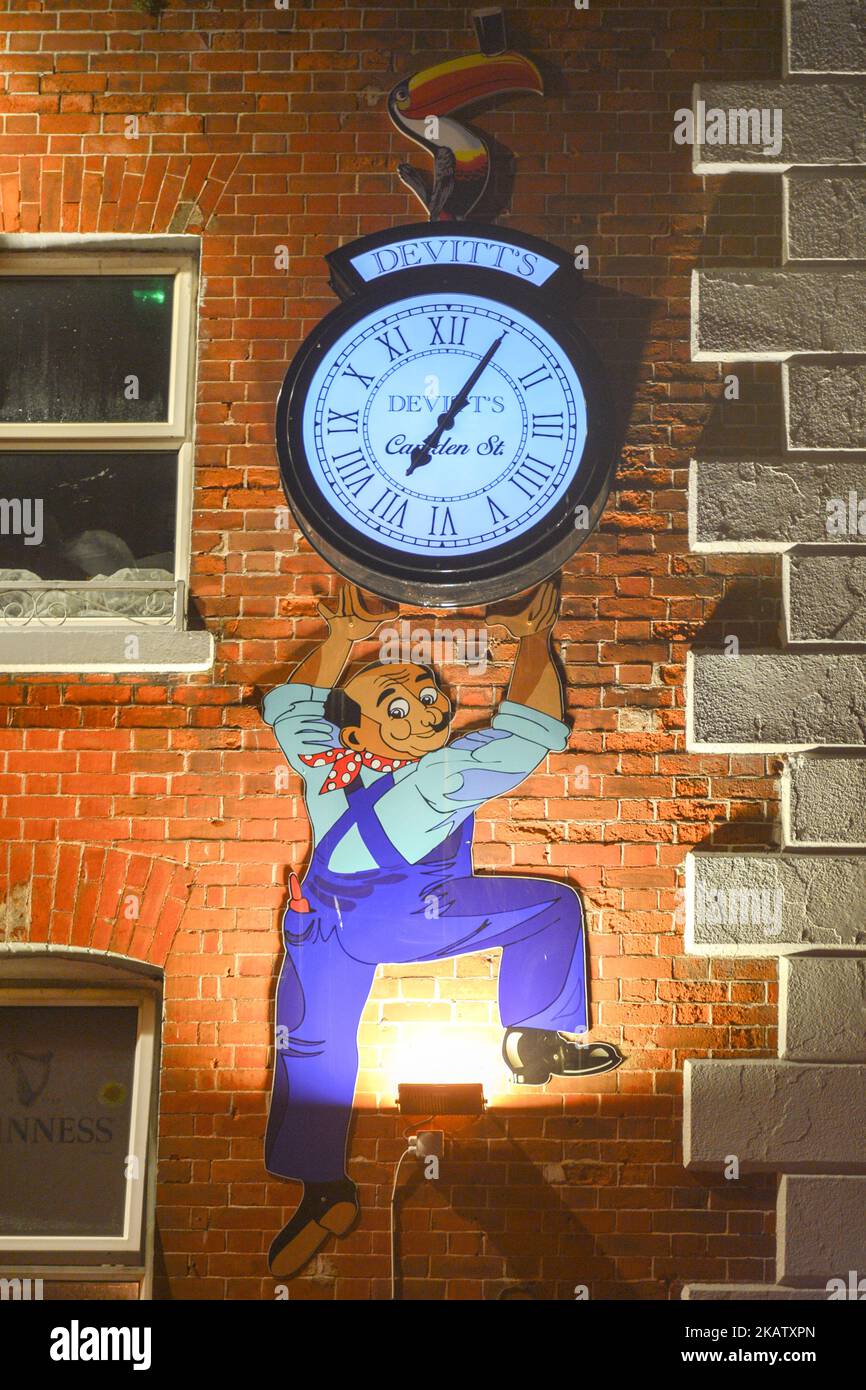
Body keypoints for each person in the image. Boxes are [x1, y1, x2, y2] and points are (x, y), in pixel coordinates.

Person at [261, 580, 623, 1278]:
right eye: (398, 705)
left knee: (311, 1051)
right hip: (402, 921)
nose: (425, 709)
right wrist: (531, 640)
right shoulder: (439, 778)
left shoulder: (324, 759)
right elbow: (529, 732)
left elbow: (294, 708)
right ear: (360, 731)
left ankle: (320, 1187)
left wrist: (339, 637)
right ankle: (533, 1036)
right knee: (550, 911)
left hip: (318, 924)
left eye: (430, 697)